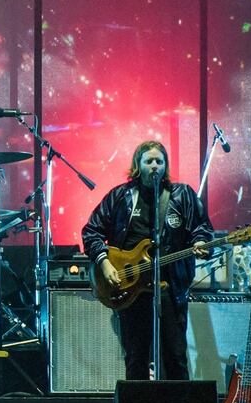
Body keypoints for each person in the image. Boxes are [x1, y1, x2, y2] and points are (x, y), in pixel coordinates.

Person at [82, 140, 213, 380]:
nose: (155, 166)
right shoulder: (120, 197)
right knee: (136, 358)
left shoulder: (181, 195)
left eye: (159, 161)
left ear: (166, 166)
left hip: (169, 290)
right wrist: (105, 262)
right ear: (137, 165)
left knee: (175, 357)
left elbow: (202, 229)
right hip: (132, 291)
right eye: (149, 161)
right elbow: (91, 231)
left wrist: (201, 242)